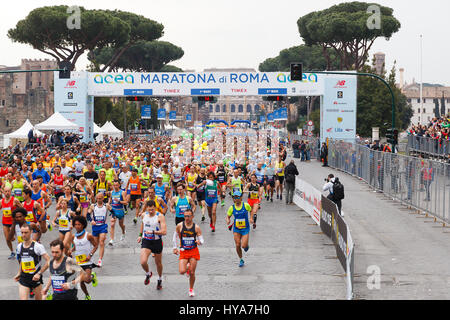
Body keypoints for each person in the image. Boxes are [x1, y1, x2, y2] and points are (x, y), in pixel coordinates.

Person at [14, 222, 50, 300]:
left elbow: (49, 261)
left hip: (35, 278)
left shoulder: (38, 246)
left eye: (26, 232)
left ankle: (44, 297)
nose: (23, 235)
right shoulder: (19, 246)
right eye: (22, 232)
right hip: (24, 278)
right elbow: (22, 261)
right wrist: (19, 273)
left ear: (31, 232)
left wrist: (39, 273)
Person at [172, 209, 204, 297]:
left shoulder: (196, 227)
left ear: (192, 216)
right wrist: (175, 248)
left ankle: (191, 289)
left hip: (193, 251)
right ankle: (187, 269)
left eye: (188, 216)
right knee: (182, 271)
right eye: (185, 216)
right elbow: (174, 236)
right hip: (183, 251)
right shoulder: (180, 226)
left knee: (192, 272)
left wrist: (199, 242)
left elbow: (202, 239)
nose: (186, 218)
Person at [138, 200, 167, 290]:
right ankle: (148, 273)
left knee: (158, 263)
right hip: (146, 241)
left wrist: (154, 232)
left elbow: (164, 232)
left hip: (157, 241)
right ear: (146, 208)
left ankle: (160, 278)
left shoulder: (160, 216)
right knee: (143, 262)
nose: (151, 211)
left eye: (152, 210)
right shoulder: (144, 215)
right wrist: (140, 235)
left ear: (155, 208)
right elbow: (143, 224)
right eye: (149, 210)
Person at [70, 215, 98, 300]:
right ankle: (87, 295)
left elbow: (96, 246)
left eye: (79, 224)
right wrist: (71, 251)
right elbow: (75, 247)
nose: (77, 226)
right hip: (79, 262)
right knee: (81, 281)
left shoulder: (88, 235)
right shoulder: (73, 236)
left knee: (87, 280)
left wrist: (90, 255)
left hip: (88, 261)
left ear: (83, 225)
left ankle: (92, 276)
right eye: (76, 224)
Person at [225, 191, 254, 268]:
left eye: (237, 197)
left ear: (241, 198)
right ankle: (241, 259)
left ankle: (246, 245)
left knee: (243, 246)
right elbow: (228, 216)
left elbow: (251, 211)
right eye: (234, 197)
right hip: (236, 229)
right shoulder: (232, 208)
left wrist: (251, 218)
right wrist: (228, 220)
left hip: (245, 229)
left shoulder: (246, 205)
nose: (236, 199)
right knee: (238, 244)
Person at [88, 193, 112, 267]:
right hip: (95, 227)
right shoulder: (93, 206)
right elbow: (87, 215)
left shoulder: (106, 205)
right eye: (97, 198)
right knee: (95, 244)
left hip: (103, 226)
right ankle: (90, 256)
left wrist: (113, 216)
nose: (99, 200)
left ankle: (100, 260)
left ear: (103, 198)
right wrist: (91, 220)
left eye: (100, 198)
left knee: (101, 241)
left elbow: (113, 211)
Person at [2, 186, 22, 259]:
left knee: (19, 239)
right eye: (6, 191)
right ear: (3, 192)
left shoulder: (15, 200)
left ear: (11, 192)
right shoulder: (1, 201)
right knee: (8, 239)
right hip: (5, 222)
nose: (7, 193)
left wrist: (18, 214)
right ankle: (12, 252)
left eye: (8, 191)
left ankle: (20, 251)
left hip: (14, 222)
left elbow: (22, 208)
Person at [108, 180, 128, 246]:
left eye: (116, 185)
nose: (115, 186)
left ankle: (123, 232)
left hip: (120, 210)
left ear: (119, 185)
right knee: (112, 224)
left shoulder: (122, 192)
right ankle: (111, 240)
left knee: (121, 224)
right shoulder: (112, 192)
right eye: (114, 185)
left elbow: (126, 202)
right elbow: (110, 200)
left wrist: (120, 201)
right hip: (113, 210)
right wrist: (108, 205)